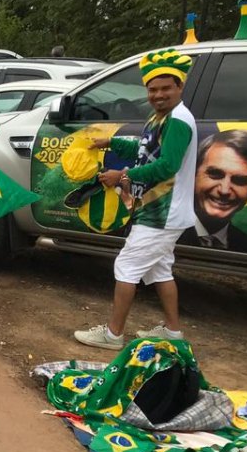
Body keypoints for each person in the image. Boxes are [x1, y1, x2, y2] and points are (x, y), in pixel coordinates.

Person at [73, 49, 198, 348]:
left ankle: (113, 334)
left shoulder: (178, 121)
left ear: (180, 87)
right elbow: (145, 149)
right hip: (158, 210)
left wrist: (123, 177)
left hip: (162, 212)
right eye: (153, 89)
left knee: (127, 266)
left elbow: (167, 165)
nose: (158, 94)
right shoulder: (159, 118)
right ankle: (171, 330)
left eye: (166, 88)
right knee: (160, 269)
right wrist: (111, 142)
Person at [177, 129, 247, 253]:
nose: (224, 190)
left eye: (240, 180)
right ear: (193, 175)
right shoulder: (161, 236)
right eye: (215, 174)